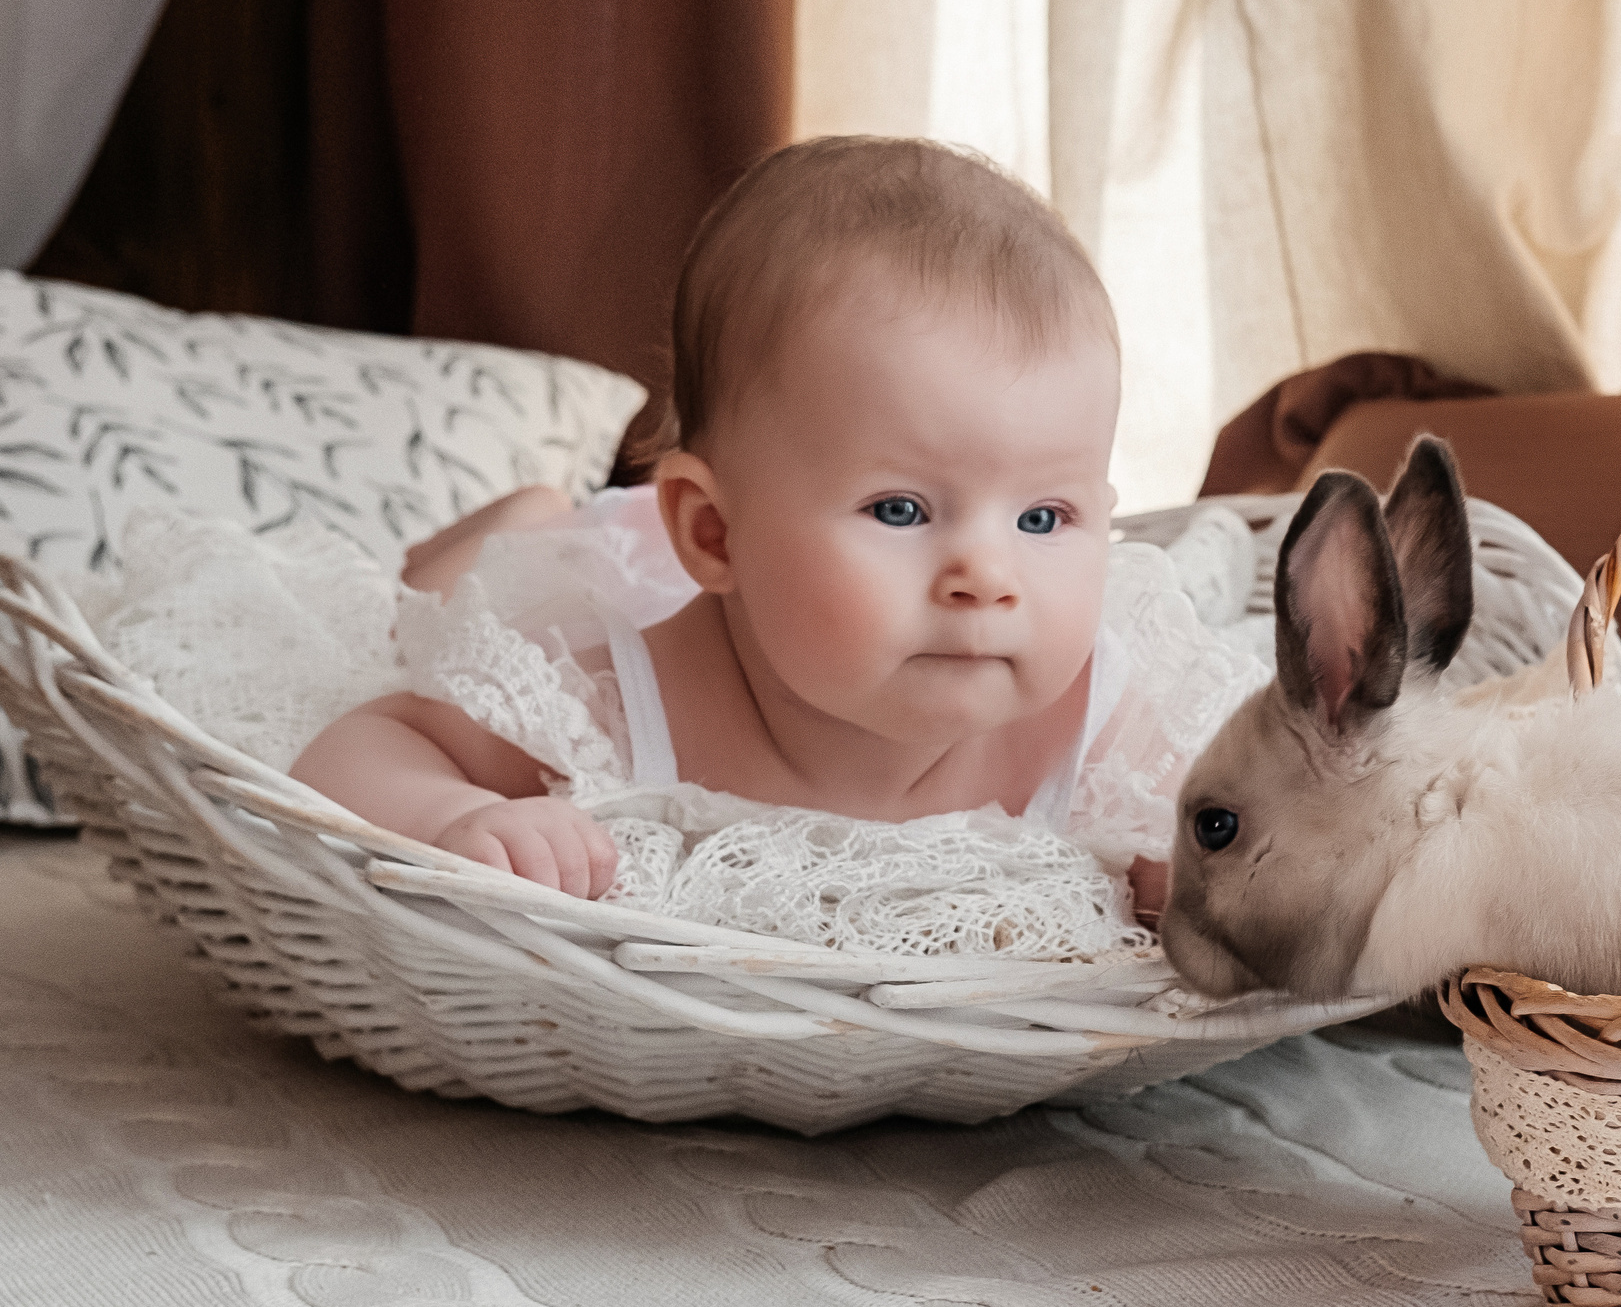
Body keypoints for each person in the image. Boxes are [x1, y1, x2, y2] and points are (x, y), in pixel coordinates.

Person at [292, 137, 1254, 921]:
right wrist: (457, 814)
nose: (988, 575)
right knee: (425, 603)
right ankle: (534, 509)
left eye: (1044, 516)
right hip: (621, 563)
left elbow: (1271, 828)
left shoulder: (1097, 712)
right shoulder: (603, 692)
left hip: (696, 552)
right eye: (902, 510)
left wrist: (1202, 872)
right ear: (713, 533)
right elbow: (354, 745)